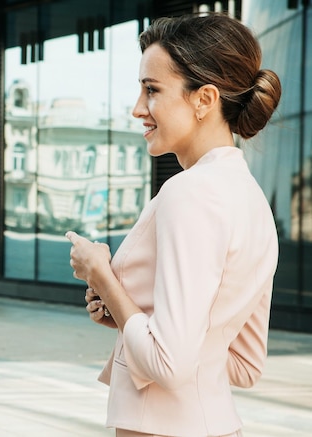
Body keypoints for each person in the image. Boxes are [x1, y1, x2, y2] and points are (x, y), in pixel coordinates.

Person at [66, 12, 281, 437]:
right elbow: (242, 364)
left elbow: (168, 363)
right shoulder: (253, 200)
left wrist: (102, 276)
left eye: (152, 90)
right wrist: (132, 318)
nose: (136, 109)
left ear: (204, 99)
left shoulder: (190, 193)